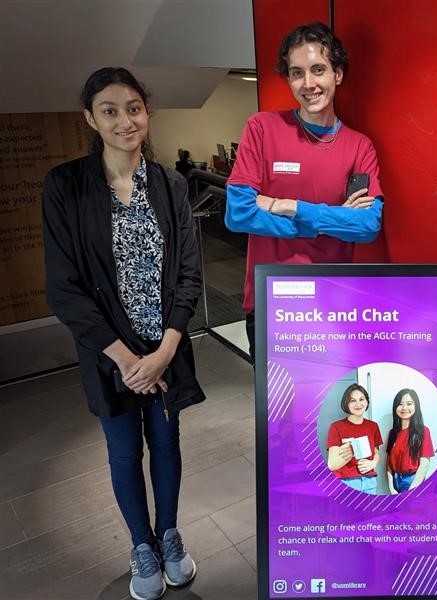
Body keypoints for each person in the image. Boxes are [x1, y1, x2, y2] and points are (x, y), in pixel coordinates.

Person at [42, 67, 204, 600]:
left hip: (167, 349)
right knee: (122, 452)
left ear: (147, 112)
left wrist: (164, 351)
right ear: (91, 118)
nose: (124, 119)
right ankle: (141, 544)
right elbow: (65, 290)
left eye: (133, 107)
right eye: (109, 110)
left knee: (166, 443)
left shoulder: (171, 183)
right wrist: (128, 360)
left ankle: (170, 535)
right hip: (110, 358)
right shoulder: (66, 186)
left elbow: (188, 274)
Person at [224, 22, 384, 360]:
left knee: (332, 409)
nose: (308, 84)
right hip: (272, 302)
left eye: (318, 70)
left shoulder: (359, 147)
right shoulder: (262, 128)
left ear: (337, 74)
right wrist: (332, 219)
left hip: (333, 305)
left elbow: (368, 226)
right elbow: (238, 213)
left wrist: (289, 206)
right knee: (281, 412)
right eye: (297, 73)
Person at [325, 384, 382, 494]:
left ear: (366, 402)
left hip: (369, 482)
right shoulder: (336, 427)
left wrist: (373, 463)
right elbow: (332, 465)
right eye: (352, 400)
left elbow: (376, 452)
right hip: (346, 483)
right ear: (346, 403)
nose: (358, 404)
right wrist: (351, 450)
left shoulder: (373, 426)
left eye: (361, 399)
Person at [385, 388, 435, 493]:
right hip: (395, 481)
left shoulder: (423, 431)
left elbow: (424, 464)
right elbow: (388, 464)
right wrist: (391, 487)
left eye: (409, 404)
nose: (404, 408)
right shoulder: (393, 433)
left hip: (413, 481)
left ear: (416, 406)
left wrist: (411, 491)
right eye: (400, 404)